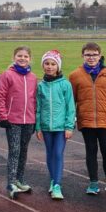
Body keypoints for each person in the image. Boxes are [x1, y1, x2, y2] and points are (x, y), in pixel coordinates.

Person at [69, 42, 106, 196]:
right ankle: (93, 182)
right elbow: (70, 102)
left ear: (100, 56)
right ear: (82, 55)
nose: (91, 57)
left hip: (105, 120)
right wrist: (68, 123)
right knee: (91, 150)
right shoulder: (75, 75)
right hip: (86, 120)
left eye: (94, 55)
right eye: (88, 54)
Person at [0, 46, 37, 199]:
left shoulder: (33, 77)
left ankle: (19, 179)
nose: (22, 58)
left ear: (30, 59)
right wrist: (3, 116)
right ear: (14, 57)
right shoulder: (7, 75)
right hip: (13, 120)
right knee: (15, 151)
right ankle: (11, 182)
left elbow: (34, 100)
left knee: (24, 151)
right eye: (19, 56)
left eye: (26, 56)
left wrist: (35, 119)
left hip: (29, 120)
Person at [36, 50, 75, 201]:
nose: (50, 67)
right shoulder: (41, 86)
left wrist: (69, 126)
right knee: (50, 154)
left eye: (53, 64)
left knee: (58, 153)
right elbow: (38, 108)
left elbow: (70, 107)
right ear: (43, 65)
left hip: (60, 128)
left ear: (58, 66)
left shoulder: (65, 85)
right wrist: (38, 127)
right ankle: (53, 180)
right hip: (46, 127)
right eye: (47, 64)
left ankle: (57, 185)